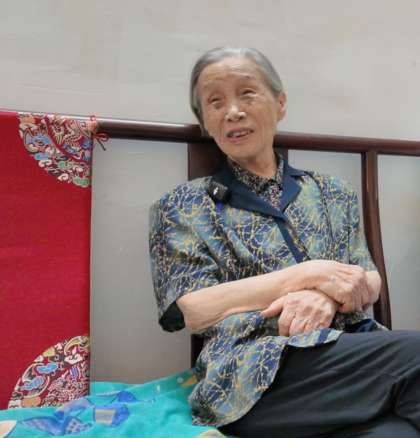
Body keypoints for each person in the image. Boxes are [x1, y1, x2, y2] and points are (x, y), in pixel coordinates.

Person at [149, 46, 420, 438]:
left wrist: (326, 297)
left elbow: (369, 278)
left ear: (280, 103)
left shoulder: (333, 192)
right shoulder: (180, 206)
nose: (233, 111)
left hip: (351, 361)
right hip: (255, 377)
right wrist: (310, 274)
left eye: (247, 93)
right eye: (215, 102)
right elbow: (195, 309)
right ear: (205, 121)